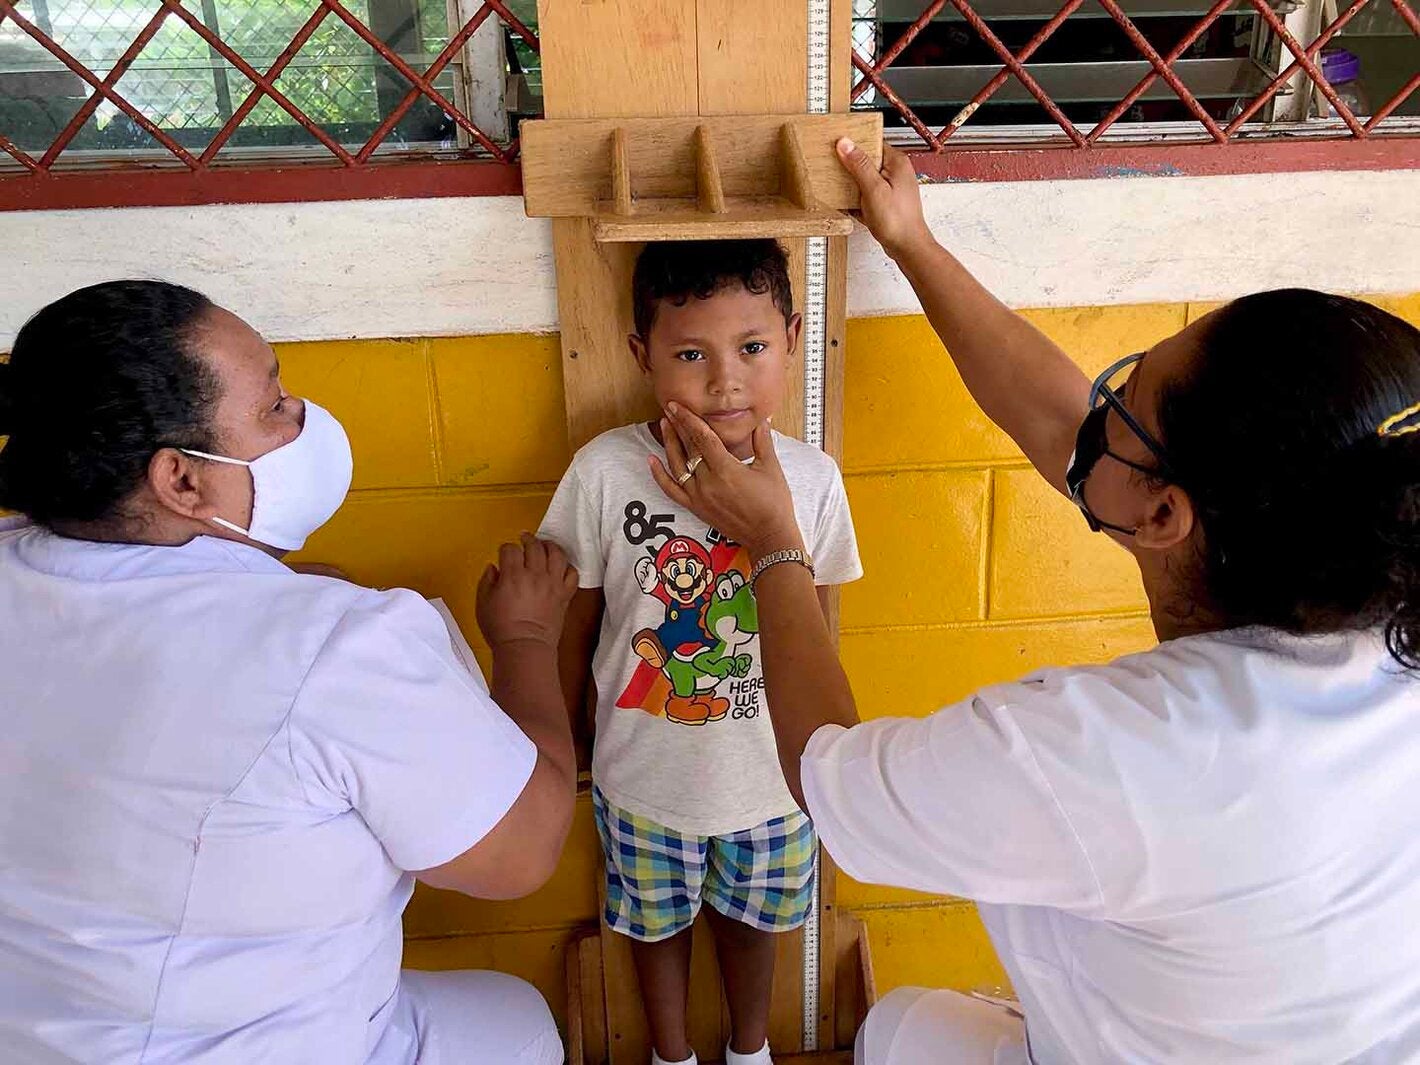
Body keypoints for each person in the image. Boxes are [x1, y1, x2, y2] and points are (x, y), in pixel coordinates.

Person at [643, 140, 1420, 1064]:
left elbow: (826, 776)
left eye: (1128, 402)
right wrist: (912, 243)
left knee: (890, 1035)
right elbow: (1069, 432)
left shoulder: (1111, 750)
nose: (1100, 412)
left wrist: (770, 542)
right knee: (901, 1028)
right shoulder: (1373, 566)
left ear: (1166, 512)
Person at [0, 281, 576, 1064]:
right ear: (181, 480)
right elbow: (524, 848)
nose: (303, 419)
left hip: (37, 1034)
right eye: (274, 407)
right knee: (517, 1023)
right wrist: (528, 639)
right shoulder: (338, 649)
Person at [539, 240, 862, 1065]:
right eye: (691, 354)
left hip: (771, 778)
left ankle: (748, 1049)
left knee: (758, 924)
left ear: (792, 337)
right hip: (642, 775)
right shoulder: (605, 472)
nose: (725, 380)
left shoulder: (813, 481)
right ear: (641, 355)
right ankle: (671, 1053)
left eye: (752, 347)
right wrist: (568, 732)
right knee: (654, 927)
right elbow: (575, 618)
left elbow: (815, 624)